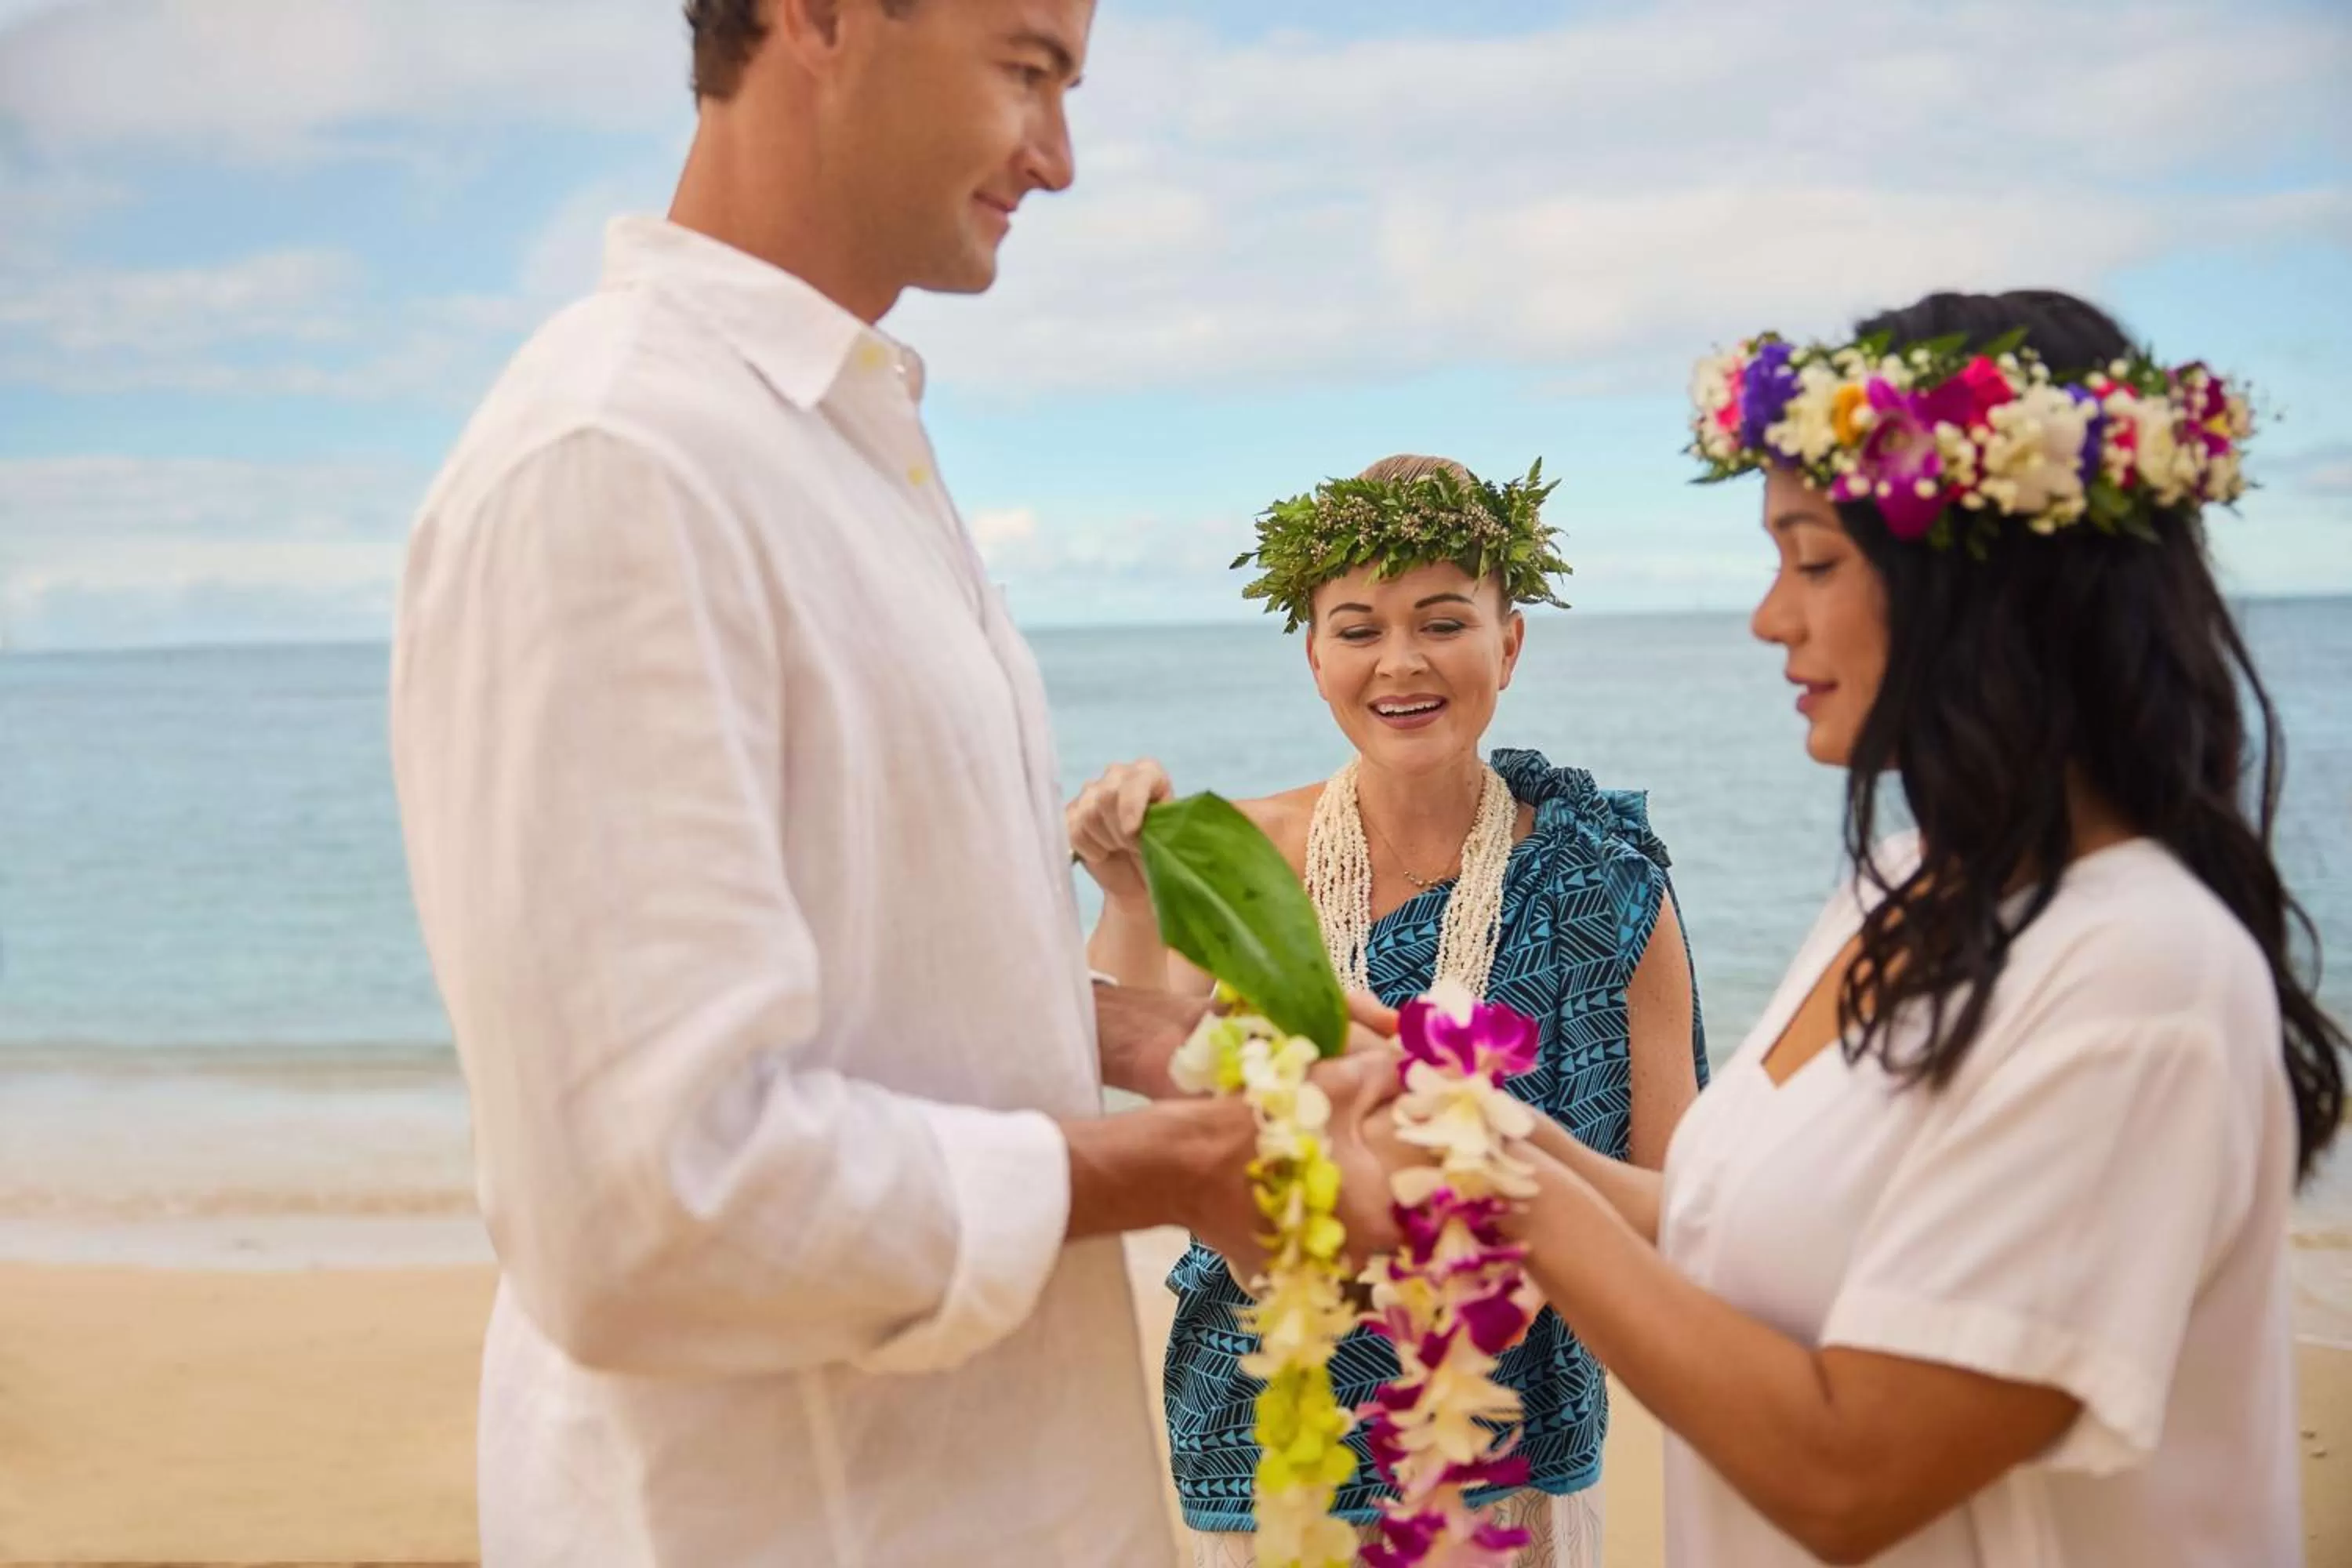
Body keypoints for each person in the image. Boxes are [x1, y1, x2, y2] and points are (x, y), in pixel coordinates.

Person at [387, 4, 1398, 1565]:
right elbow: (642, 1205)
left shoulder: (846, 445)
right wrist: (1180, 1167)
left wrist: (1146, 1039)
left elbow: (881, 972)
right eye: (1028, 69)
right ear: (822, 18)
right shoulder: (617, 461)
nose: (1058, 159)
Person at [1355, 290, 2348, 1565]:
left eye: (1813, 559)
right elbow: (1728, 1227)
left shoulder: (2141, 973)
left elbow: (1850, 1473)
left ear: (1986, 585)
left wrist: (1511, 1199)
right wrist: (1459, 1117)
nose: (1773, 617)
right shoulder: (1901, 880)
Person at [1068, 454, 1708, 1566]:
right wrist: (1130, 891)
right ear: (1313, 656)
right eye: (1357, 628)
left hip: (1510, 1436)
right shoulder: (1243, 855)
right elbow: (1122, 1065)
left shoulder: (1604, 884)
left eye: (1444, 620)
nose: (1400, 663)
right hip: (1272, 1419)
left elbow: (1683, 1206)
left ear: (1509, 644)